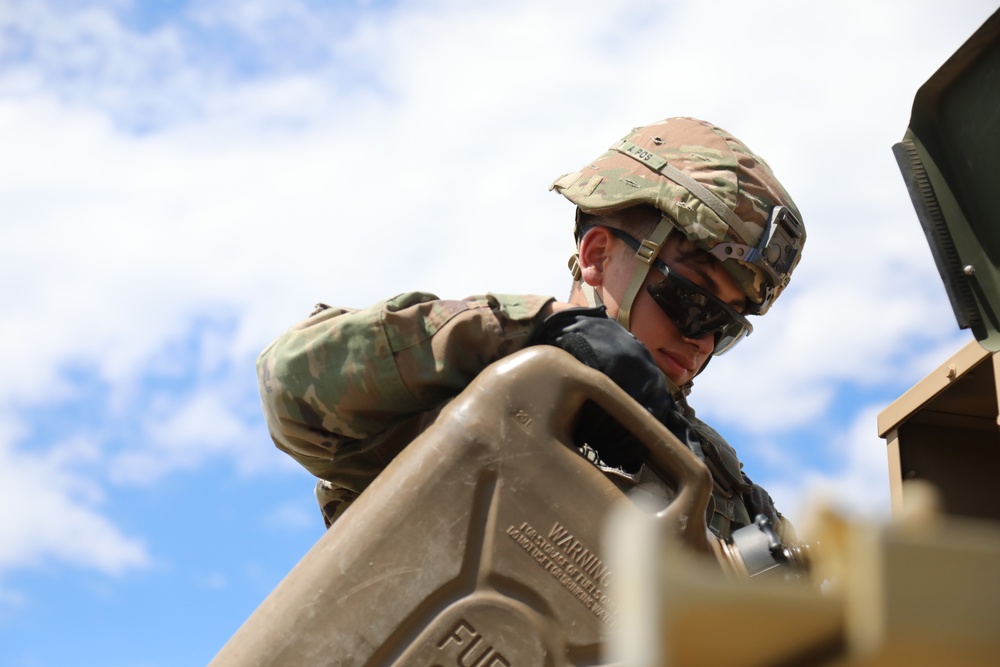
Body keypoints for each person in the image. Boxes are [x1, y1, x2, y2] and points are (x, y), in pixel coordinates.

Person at [257, 116, 805, 542]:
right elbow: (290, 384)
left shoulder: (719, 488)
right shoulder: (479, 384)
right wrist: (545, 331)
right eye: (692, 302)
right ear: (596, 255)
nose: (702, 341)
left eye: (727, 328)